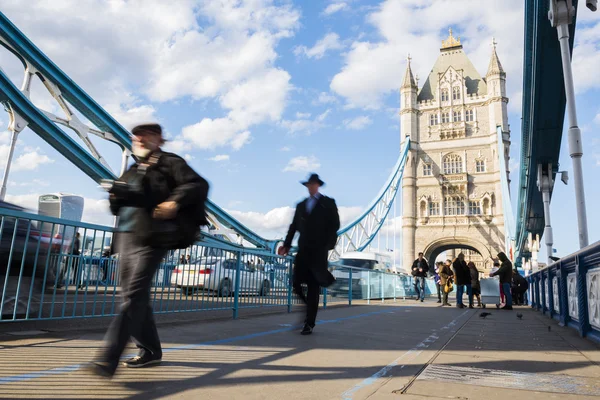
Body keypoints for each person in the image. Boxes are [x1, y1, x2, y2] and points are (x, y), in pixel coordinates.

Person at [89, 123, 208, 377]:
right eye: (137, 135)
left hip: (154, 237)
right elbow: (119, 208)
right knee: (134, 299)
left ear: (159, 140)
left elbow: (198, 185)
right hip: (127, 239)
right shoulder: (132, 169)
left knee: (133, 295)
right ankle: (150, 351)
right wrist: (114, 196)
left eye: (147, 135)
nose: (140, 139)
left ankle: (107, 359)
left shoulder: (171, 162)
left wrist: (174, 201)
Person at [279, 173, 340, 335]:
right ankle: (309, 307)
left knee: (313, 287)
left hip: (318, 252)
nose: (311, 187)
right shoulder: (301, 205)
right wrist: (286, 245)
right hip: (303, 251)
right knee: (295, 284)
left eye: (313, 184)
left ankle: (309, 323)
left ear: (318, 185)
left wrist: (328, 245)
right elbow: (293, 227)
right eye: (309, 185)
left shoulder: (328, 203)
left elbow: (335, 225)